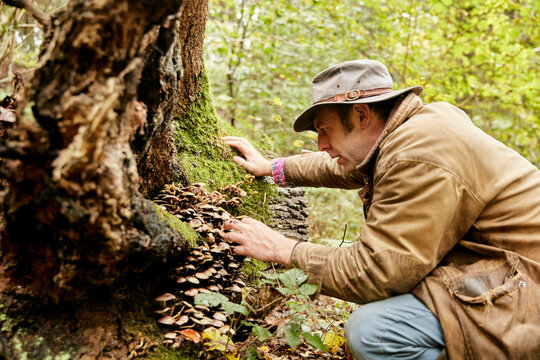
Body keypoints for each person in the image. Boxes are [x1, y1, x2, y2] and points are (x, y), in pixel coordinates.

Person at [222, 60, 540, 360]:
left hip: (525, 289)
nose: (321, 144)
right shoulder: (411, 132)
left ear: (361, 116)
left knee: (373, 331)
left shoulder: (417, 155)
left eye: (324, 130)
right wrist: (273, 168)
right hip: (503, 268)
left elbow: (377, 272)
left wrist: (282, 249)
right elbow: (342, 167)